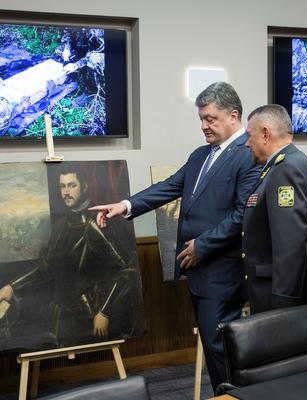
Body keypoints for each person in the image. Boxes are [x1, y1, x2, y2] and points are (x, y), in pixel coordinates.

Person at [89, 82, 260, 392]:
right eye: (201, 119)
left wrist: (202, 245)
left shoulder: (248, 155)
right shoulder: (201, 155)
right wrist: (124, 206)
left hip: (223, 270)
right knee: (213, 345)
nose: (204, 126)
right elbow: (168, 187)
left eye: (210, 119)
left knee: (220, 347)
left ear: (233, 116)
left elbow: (242, 215)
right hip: (199, 271)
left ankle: (234, 396)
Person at [0, 165, 139, 348]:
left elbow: (128, 269)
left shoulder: (94, 225)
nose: (66, 192)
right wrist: (12, 286)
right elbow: (46, 268)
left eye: (71, 185)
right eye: (62, 186)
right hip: (61, 316)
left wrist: (104, 312)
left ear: (84, 187)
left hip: (89, 316)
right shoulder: (61, 225)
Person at [242, 104, 307, 314]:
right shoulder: (296, 163)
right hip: (290, 293)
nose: (246, 143)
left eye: (249, 135)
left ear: (265, 134)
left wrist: (282, 306)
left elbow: (289, 246)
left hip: (280, 297)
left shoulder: (285, 171)